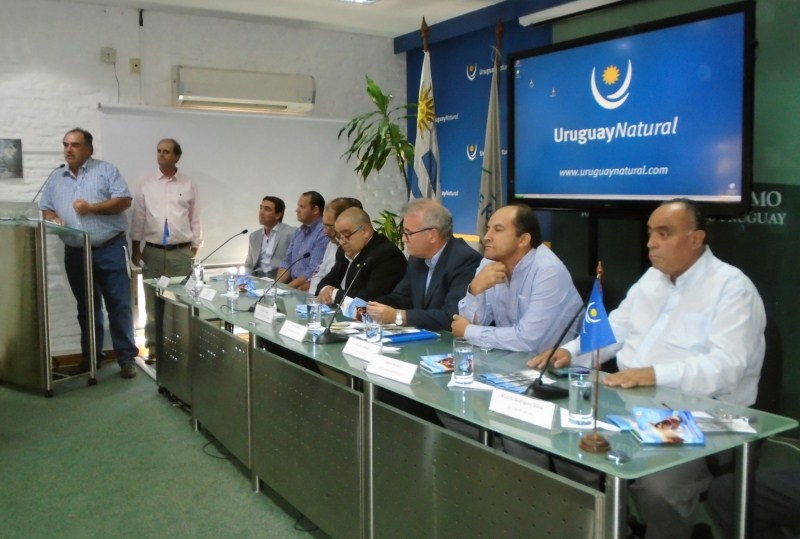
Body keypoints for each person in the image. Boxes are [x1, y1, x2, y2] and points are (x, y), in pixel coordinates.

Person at [527, 198, 767, 539]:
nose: (651, 243)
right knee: (569, 448)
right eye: (650, 233)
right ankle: (615, 529)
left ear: (696, 239)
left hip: (697, 414)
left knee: (659, 486)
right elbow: (614, 331)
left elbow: (726, 367)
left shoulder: (732, 288)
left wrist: (653, 374)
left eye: (663, 234)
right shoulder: (652, 280)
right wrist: (569, 352)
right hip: (630, 403)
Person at [39, 128, 139, 379]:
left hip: (110, 248)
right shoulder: (56, 177)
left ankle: (126, 359)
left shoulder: (106, 171)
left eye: (75, 145)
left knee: (119, 306)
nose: (68, 149)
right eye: (66, 145)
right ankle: (91, 358)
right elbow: (46, 209)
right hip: (76, 252)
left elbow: (124, 201)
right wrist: (53, 218)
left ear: (88, 149)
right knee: (86, 307)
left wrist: (91, 208)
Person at [451, 204, 582, 352]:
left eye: (498, 229)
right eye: (488, 229)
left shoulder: (549, 271)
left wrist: (468, 332)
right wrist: (475, 289)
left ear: (523, 240)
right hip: (511, 359)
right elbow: (466, 324)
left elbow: (528, 340)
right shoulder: (488, 263)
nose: (487, 237)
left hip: (556, 364)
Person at [130, 138, 203, 363]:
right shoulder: (146, 183)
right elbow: (139, 218)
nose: (161, 155)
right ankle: (154, 348)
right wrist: (136, 248)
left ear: (177, 156)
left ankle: (181, 349)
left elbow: (195, 217)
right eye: (159, 151)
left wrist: (195, 248)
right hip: (152, 251)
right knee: (152, 303)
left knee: (182, 302)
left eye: (166, 152)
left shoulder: (188, 184)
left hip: (181, 251)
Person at [366, 199, 481, 330]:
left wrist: (398, 316)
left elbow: (452, 317)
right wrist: (371, 308)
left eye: (408, 233)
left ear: (432, 235)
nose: (403, 239)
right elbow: (401, 297)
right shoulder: (417, 257)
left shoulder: (465, 260)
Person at [317, 207, 407, 305]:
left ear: (365, 231)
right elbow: (328, 279)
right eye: (339, 236)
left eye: (346, 235)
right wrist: (325, 289)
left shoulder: (387, 255)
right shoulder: (343, 251)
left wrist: (333, 294)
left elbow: (370, 298)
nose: (342, 242)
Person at [309, 197, 362, 295]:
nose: (325, 231)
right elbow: (321, 273)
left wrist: (331, 294)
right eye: (324, 225)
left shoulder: (366, 251)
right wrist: (314, 297)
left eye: (329, 226)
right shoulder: (332, 244)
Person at [277, 190, 328, 291]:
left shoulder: (323, 232)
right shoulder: (299, 231)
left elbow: (313, 270)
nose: (297, 210)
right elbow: (287, 261)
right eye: (298, 206)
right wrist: (277, 286)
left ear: (315, 210)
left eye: (302, 207)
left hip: (307, 288)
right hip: (292, 286)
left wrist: (286, 288)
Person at [244, 196, 295, 278]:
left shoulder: (291, 233)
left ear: (278, 215)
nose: (261, 212)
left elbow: (293, 264)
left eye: (267, 209)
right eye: (261, 208)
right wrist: (246, 280)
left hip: (279, 280)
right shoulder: (254, 236)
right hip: (257, 280)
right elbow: (249, 265)